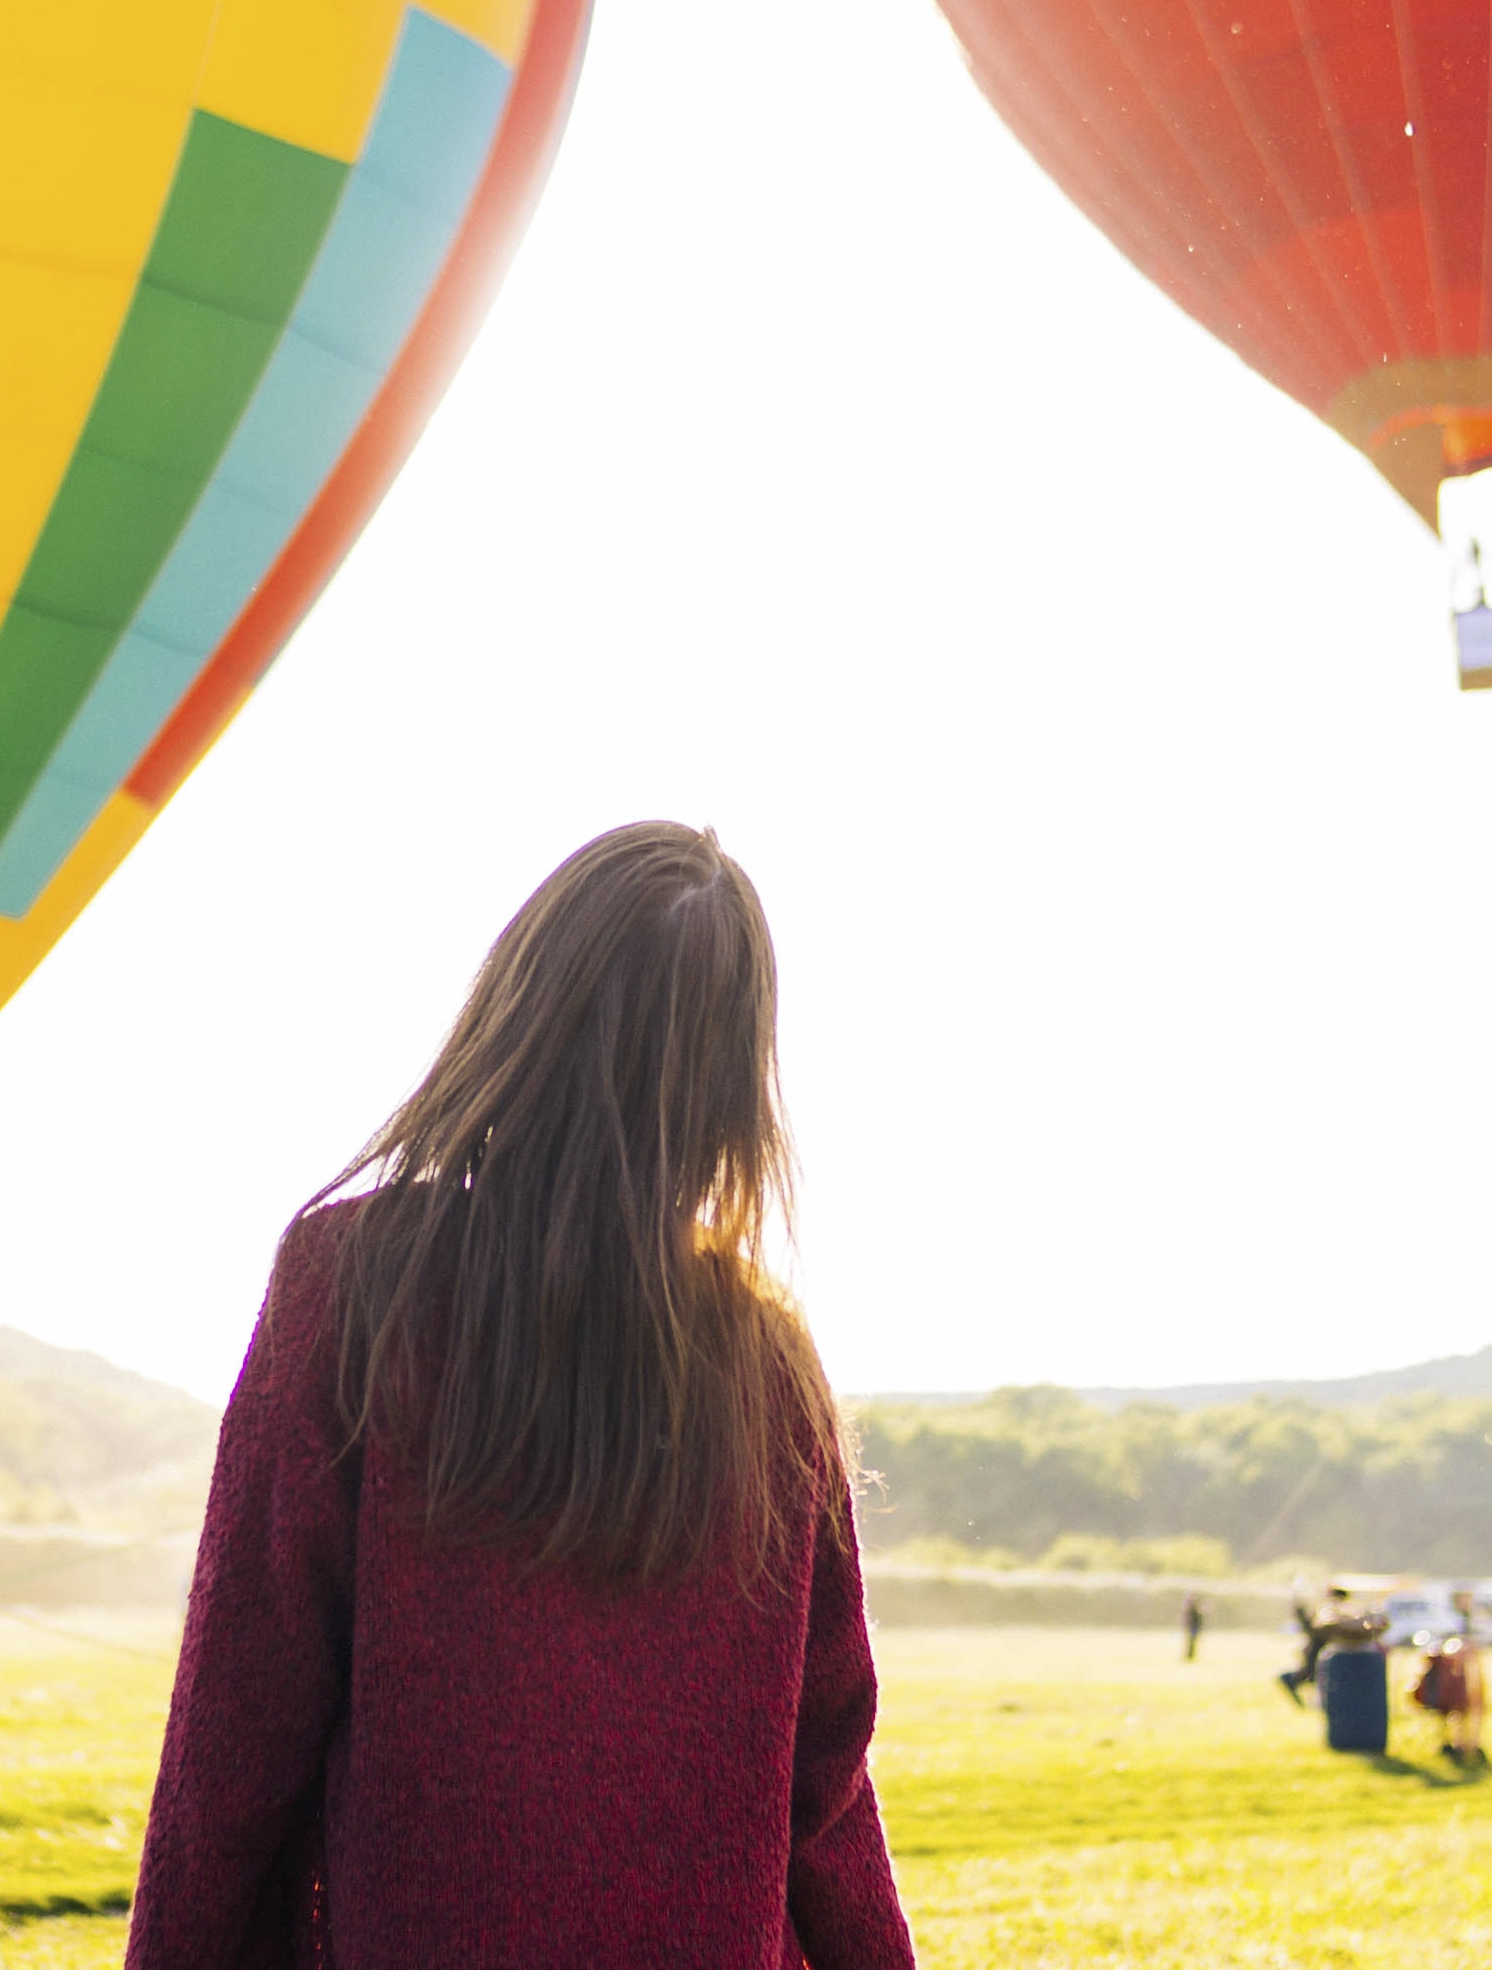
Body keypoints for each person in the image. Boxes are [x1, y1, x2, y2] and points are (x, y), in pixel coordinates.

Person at [127, 824, 916, 1970]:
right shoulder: (769, 1369)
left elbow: (237, 1730)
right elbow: (826, 1790)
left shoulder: (353, 1286)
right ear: (731, 1084)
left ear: (517, 1004)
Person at [1413, 1591, 1486, 1764]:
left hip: (1466, 1676)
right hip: (1449, 1679)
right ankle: (1455, 1743)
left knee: (1470, 1708)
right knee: (1454, 1709)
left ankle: (1469, 1743)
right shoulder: (1447, 1621)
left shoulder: (1472, 1621)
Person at [1182, 1591, 1204, 1662]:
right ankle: (1190, 1656)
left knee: (1192, 1641)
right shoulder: (1191, 1606)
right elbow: (1189, 1616)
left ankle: (1190, 1656)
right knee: (1191, 1641)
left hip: (1195, 1625)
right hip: (1193, 1626)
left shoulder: (1192, 1605)